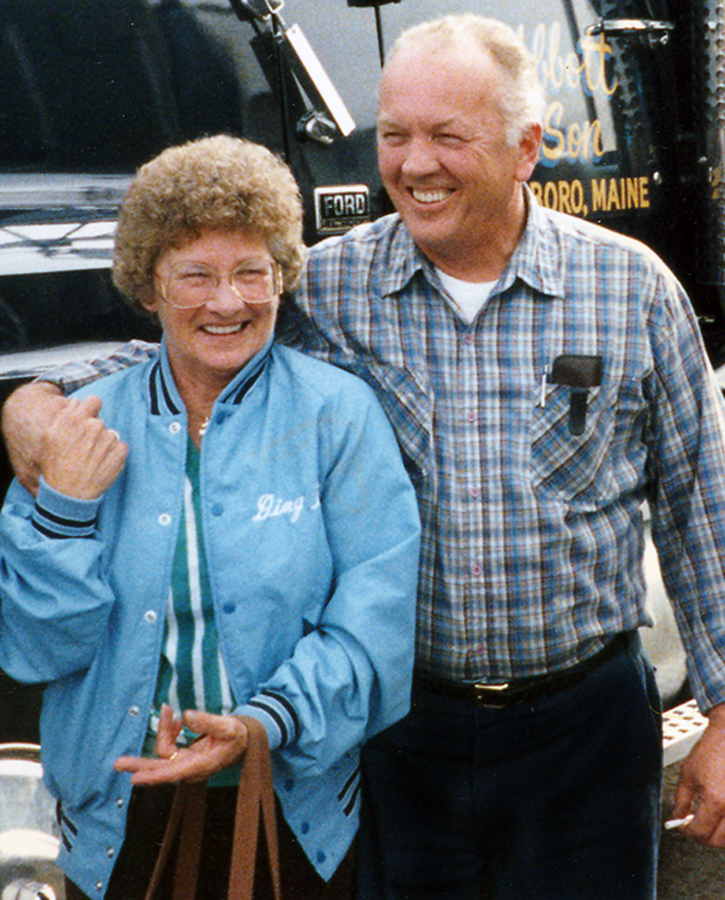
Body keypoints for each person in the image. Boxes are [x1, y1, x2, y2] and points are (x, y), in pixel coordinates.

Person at [6, 12, 725, 900]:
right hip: (402, 732)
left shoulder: (631, 288)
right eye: (393, 136)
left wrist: (724, 714)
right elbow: (194, 340)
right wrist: (33, 404)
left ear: (527, 147)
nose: (413, 164)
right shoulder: (336, 282)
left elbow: (705, 510)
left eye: (446, 137)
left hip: (582, 726)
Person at [0, 134, 420, 900]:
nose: (227, 302)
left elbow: (375, 626)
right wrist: (64, 510)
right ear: (148, 288)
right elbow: (34, 650)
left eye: (250, 273)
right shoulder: (83, 425)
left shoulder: (336, 415)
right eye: (194, 275)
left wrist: (262, 724)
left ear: (281, 278)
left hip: (290, 805)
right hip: (120, 811)